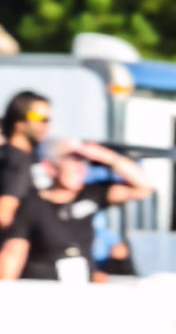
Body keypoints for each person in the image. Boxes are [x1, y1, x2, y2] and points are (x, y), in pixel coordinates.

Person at [1, 137, 153, 283]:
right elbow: (14, 251)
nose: (80, 168)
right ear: (50, 166)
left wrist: (106, 156)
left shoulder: (91, 194)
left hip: (81, 288)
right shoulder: (33, 204)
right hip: (45, 287)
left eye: (83, 161)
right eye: (73, 160)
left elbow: (144, 188)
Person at [0, 90, 52, 277]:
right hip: (18, 260)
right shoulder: (16, 160)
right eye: (40, 118)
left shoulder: (27, 157)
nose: (47, 125)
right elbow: (5, 213)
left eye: (48, 119)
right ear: (19, 121)